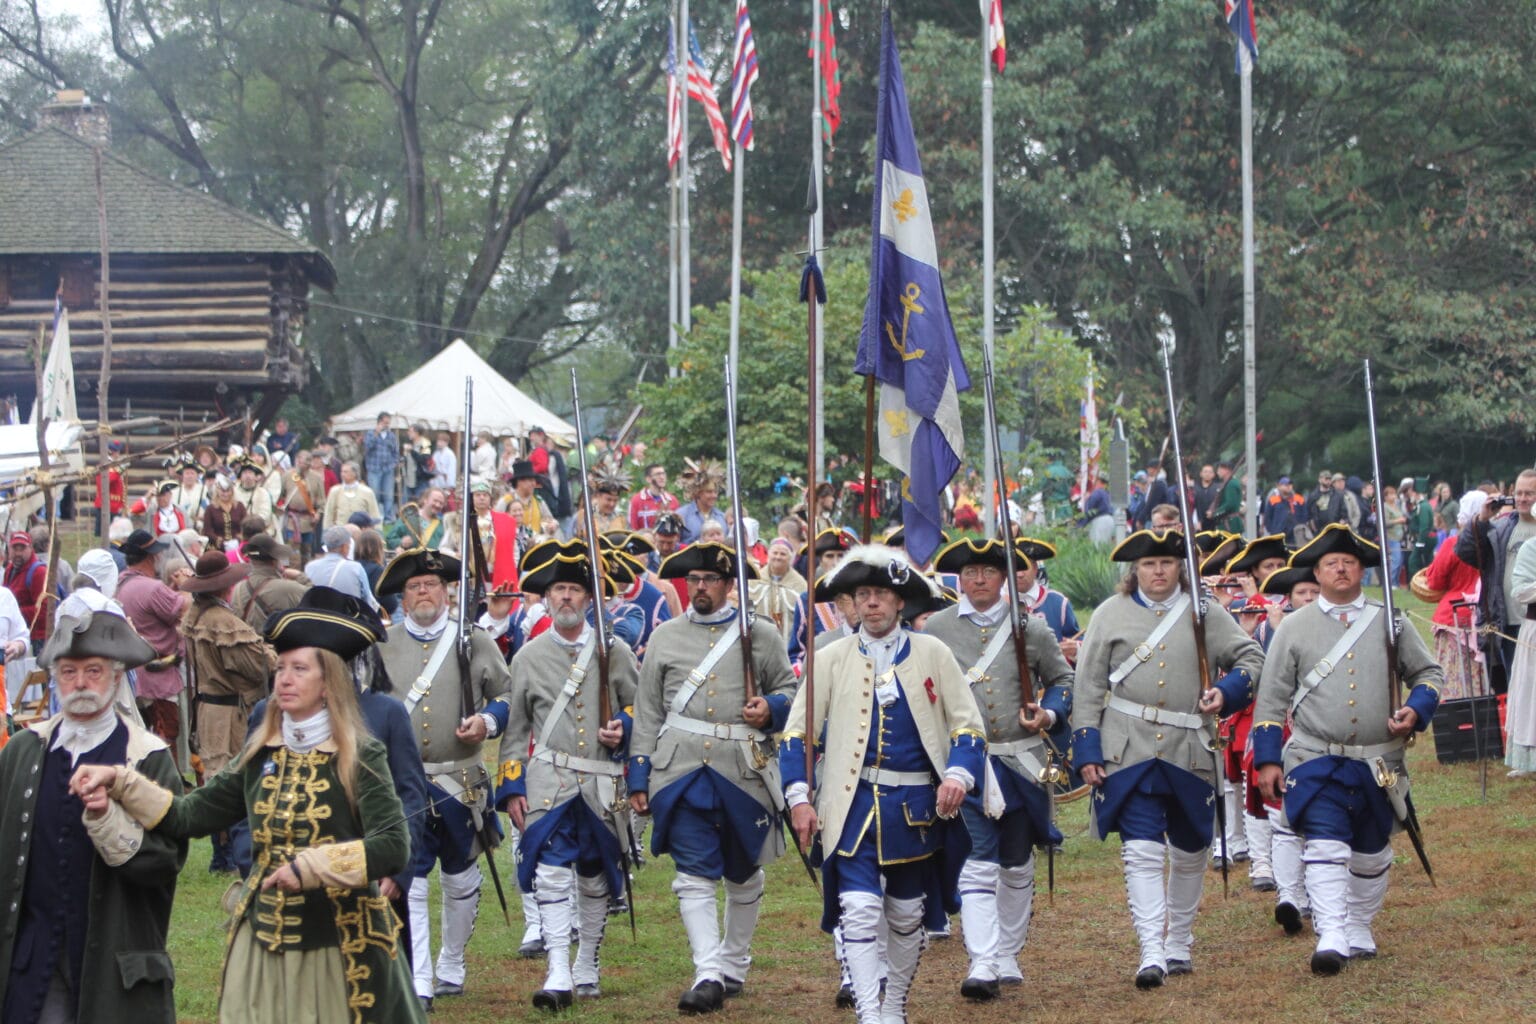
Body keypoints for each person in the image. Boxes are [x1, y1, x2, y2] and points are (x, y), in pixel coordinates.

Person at [72, 596, 426, 1023]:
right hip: (262, 938)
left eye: (300, 670)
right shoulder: (261, 752)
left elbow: (392, 847)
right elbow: (189, 816)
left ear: (328, 682)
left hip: (338, 943)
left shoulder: (360, 752)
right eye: (280, 669)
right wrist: (121, 782)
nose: (285, 680)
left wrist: (314, 866)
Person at [780, 546, 986, 1024]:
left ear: (900, 603)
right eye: (862, 595)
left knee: (906, 916)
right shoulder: (829, 657)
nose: (871, 603)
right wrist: (798, 797)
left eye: (881, 595)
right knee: (858, 909)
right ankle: (870, 1014)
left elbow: (968, 727)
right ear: (852, 604)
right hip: (849, 808)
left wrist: (958, 774)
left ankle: (894, 1005)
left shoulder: (934, 652)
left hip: (916, 808)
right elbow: (797, 734)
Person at [1070, 528, 1264, 987]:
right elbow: (1089, 686)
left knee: (1191, 848)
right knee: (1139, 850)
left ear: (1181, 568)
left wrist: (1226, 690)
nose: (1158, 571)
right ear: (1134, 569)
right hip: (1128, 746)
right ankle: (1150, 950)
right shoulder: (1109, 614)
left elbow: (1251, 658)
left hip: (1189, 747)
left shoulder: (1204, 612)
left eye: (1167, 563)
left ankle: (1178, 939)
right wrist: (1087, 748)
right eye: (1148, 563)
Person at [1252, 523, 1442, 974]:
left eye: (1349, 562)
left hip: (1380, 762)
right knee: (1325, 843)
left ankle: (1358, 923)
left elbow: (1429, 675)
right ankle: (1332, 933)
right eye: (1331, 563)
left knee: (1372, 853)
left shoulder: (1390, 620)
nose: (1341, 569)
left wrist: (1415, 710)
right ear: (1316, 573)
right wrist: (1266, 759)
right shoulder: (1294, 627)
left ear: (1362, 570)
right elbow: (1272, 699)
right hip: (1315, 757)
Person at [628, 541, 796, 1013]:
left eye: (711, 580)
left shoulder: (759, 634)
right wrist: (639, 774)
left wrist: (771, 708)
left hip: (743, 769)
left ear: (728, 585)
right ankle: (707, 972)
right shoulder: (664, 637)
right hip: (680, 770)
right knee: (693, 873)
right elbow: (647, 713)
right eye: (694, 580)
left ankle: (734, 961)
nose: (701, 588)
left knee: (743, 872)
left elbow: (788, 689)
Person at [0, 602, 186, 1024]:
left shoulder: (148, 759)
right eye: (69, 671)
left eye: (94, 671)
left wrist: (108, 820)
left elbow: (165, 861)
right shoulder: (24, 751)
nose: (80, 682)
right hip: (32, 962)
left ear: (117, 677)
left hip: (114, 969)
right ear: (55, 679)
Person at [925, 538, 1073, 998]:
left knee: (1015, 860)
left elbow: (1063, 680)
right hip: (965, 761)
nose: (978, 579)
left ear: (1003, 577)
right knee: (976, 857)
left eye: (988, 571)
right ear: (959, 579)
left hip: (1023, 761)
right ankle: (982, 961)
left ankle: (1007, 951)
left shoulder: (1031, 626)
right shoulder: (937, 629)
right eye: (970, 572)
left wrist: (1048, 714)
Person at [495, 540, 639, 1009]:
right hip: (549, 781)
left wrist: (626, 727)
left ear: (590, 597)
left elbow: (640, 708)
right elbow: (515, 731)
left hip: (600, 783)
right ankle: (557, 968)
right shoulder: (528, 657)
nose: (566, 599)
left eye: (575, 590)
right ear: (546, 596)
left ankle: (587, 963)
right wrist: (511, 787)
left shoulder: (614, 652)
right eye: (558, 589)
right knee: (552, 874)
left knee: (595, 875)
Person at [375, 547, 513, 1007]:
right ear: (403, 596)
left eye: (430, 584)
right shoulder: (382, 645)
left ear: (446, 590)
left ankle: (452, 961)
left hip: (462, 780)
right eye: (414, 586)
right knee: (409, 878)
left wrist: (487, 723)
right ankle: (419, 977)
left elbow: (508, 694)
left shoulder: (474, 640)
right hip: (404, 784)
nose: (423, 592)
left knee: (460, 876)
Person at [1455, 468, 1536, 694]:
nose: (1522, 498)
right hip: (1508, 624)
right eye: (1518, 492)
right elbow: (1465, 553)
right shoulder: (1500, 528)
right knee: (1517, 691)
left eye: (1529, 493)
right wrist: (1481, 520)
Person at [115, 530, 190, 759]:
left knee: (150, 739)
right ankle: (168, 787)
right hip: (158, 679)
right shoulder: (151, 588)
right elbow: (185, 609)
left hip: (137, 677)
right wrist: (187, 585)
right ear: (151, 557)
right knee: (165, 739)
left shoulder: (122, 584)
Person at [1421, 492, 1488, 702]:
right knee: (1480, 677)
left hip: (1453, 617)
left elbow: (1434, 581)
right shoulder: (1493, 541)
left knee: (1452, 678)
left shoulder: (1454, 544)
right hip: (1484, 615)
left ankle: (1456, 723)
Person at [230, 533, 311, 632]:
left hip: (248, 646)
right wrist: (300, 576)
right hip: (275, 646)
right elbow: (314, 597)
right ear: (274, 562)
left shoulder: (237, 589)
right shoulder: (287, 588)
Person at [305, 525, 381, 613]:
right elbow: (369, 602)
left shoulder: (310, 567)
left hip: (317, 618)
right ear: (344, 547)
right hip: (347, 621)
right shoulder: (356, 568)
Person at [323, 461, 382, 530]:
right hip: (341, 531)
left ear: (354, 474)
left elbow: (374, 513)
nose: (342, 474)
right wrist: (326, 530)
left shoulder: (367, 492)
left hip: (361, 531)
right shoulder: (335, 491)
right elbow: (328, 513)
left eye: (346, 472)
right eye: (342, 472)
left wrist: (378, 531)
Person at [677, 469, 729, 547]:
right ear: (698, 492)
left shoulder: (722, 517)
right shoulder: (682, 515)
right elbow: (673, 543)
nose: (714, 496)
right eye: (709, 492)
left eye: (715, 492)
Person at [365, 412, 401, 521]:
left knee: (388, 494)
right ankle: (376, 516)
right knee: (375, 494)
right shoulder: (371, 433)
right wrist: (376, 433)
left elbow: (395, 451)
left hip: (388, 469)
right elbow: (368, 447)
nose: (387, 425)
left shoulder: (391, 436)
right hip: (374, 469)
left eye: (388, 423)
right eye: (385, 423)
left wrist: (394, 463)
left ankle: (388, 518)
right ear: (379, 422)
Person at [629, 462, 679, 531]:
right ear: (648, 479)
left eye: (663, 474)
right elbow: (632, 528)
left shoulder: (672, 500)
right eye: (658, 474)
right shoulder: (637, 500)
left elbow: (678, 528)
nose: (662, 477)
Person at [202, 475, 247, 550]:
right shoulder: (211, 508)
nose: (225, 494)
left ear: (232, 491)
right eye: (222, 491)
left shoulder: (239, 506)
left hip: (238, 545)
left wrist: (238, 540)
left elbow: (246, 525)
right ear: (217, 491)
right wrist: (220, 541)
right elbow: (207, 530)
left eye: (228, 491)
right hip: (217, 547)